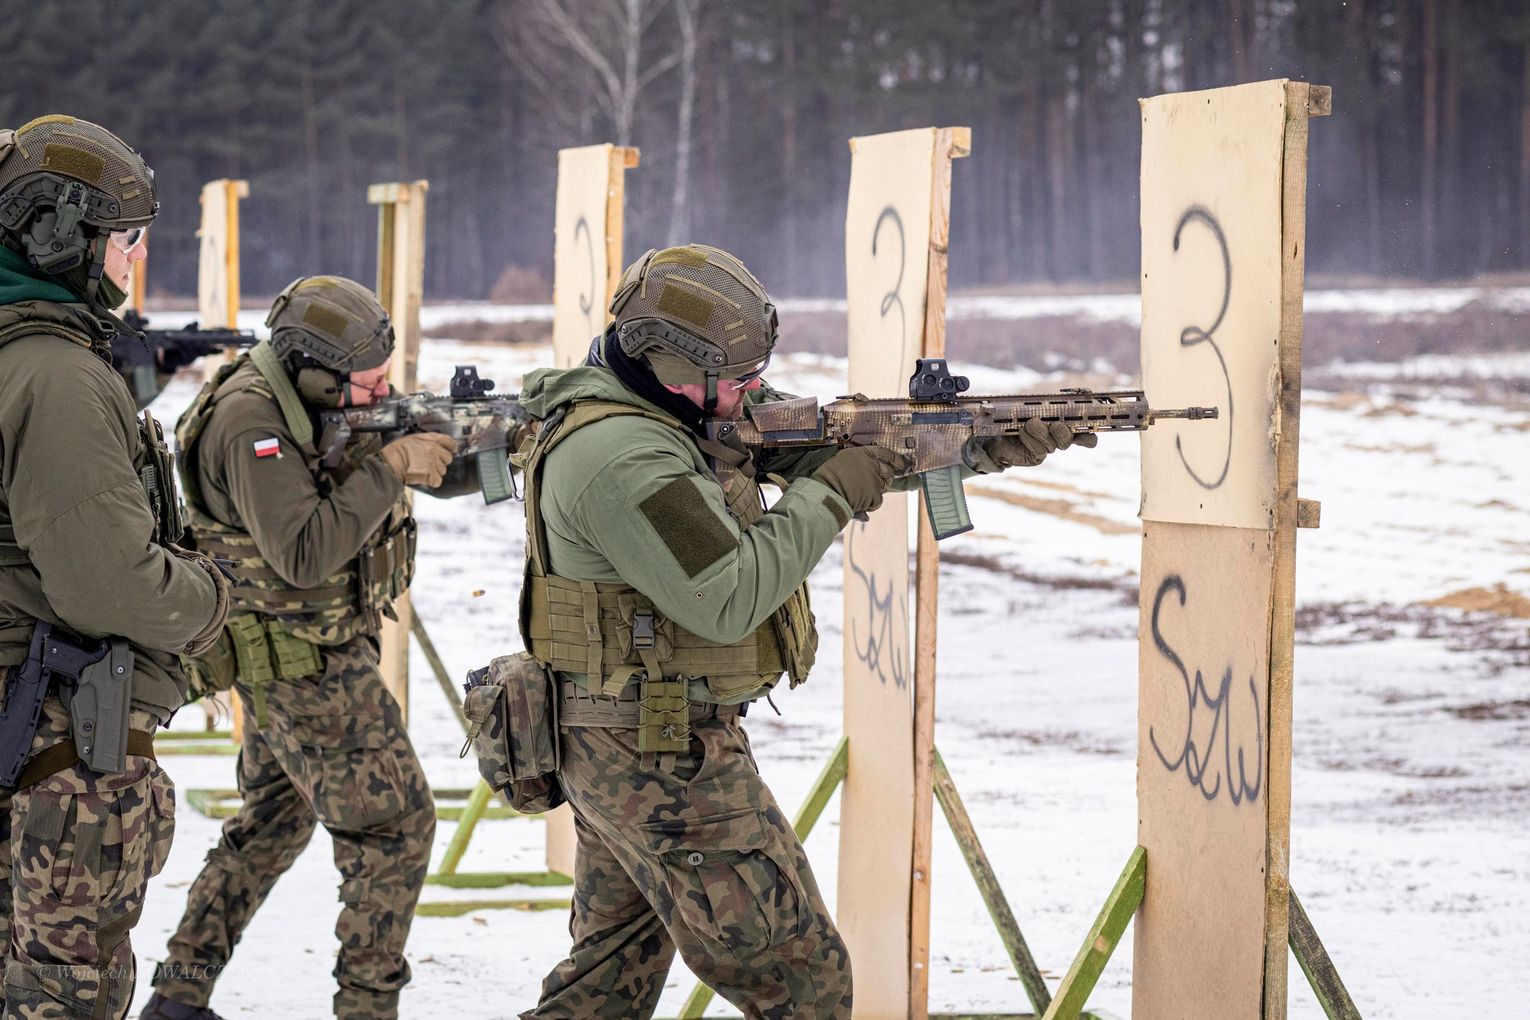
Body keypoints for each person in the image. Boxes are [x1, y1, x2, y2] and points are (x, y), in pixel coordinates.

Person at [515, 244, 1094, 1019]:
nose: (752, 394)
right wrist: (833, 495)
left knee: (606, 983)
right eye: (737, 380)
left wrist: (978, 442)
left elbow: (839, 447)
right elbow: (729, 595)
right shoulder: (621, 456)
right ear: (670, 365)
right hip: (655, 755)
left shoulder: (678, 407)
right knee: (802, 981)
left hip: (626, 737)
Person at [139, 276, 457, 1020]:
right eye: (368, 382)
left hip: (292, 655)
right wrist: (392, 467)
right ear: (316, 371)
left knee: (271, 824)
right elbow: (304, 554)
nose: (383, 393)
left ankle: (179, 996)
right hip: (304, 663)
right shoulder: (251, 421)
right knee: (395, 828)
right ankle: (366, 1008)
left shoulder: (291, 399)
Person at [0, 114, 230, 1018]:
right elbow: (109, 582)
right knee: (64, 992)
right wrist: (209, 598)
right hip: (51, 741)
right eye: (126, 237)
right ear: (62, 237)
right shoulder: (52, 375)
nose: (137, 258)